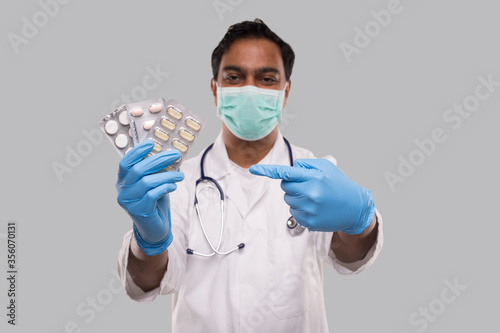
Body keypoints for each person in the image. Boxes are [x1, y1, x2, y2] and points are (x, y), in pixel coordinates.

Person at [116, 18, 383, 333]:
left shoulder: (313, 170)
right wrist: (148, 240)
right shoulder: (177, 180)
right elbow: (148, 283)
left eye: (267, 79)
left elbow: (349, 258)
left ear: (286, 92)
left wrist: (359, 221)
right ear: (215, 90)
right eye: (234, 77)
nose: (250, 89)